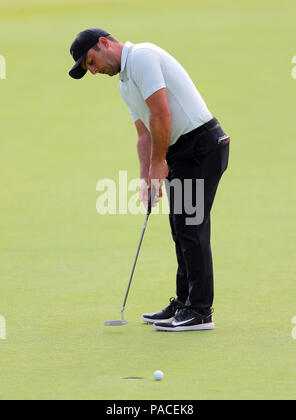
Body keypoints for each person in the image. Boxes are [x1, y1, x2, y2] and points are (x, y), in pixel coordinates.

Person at [68, 28, 230, 332]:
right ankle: (185, 302)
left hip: (201, 145)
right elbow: (144, 132)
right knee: (180, 227)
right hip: (182, 151)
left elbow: (161, 113)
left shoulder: (142, 57)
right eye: (87, 68)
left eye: (91, 61)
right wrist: (146, 176)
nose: (92, 70)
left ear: (104, 44)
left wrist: (158, 163)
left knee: (191, 227)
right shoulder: (124, 83)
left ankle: (200, 311)